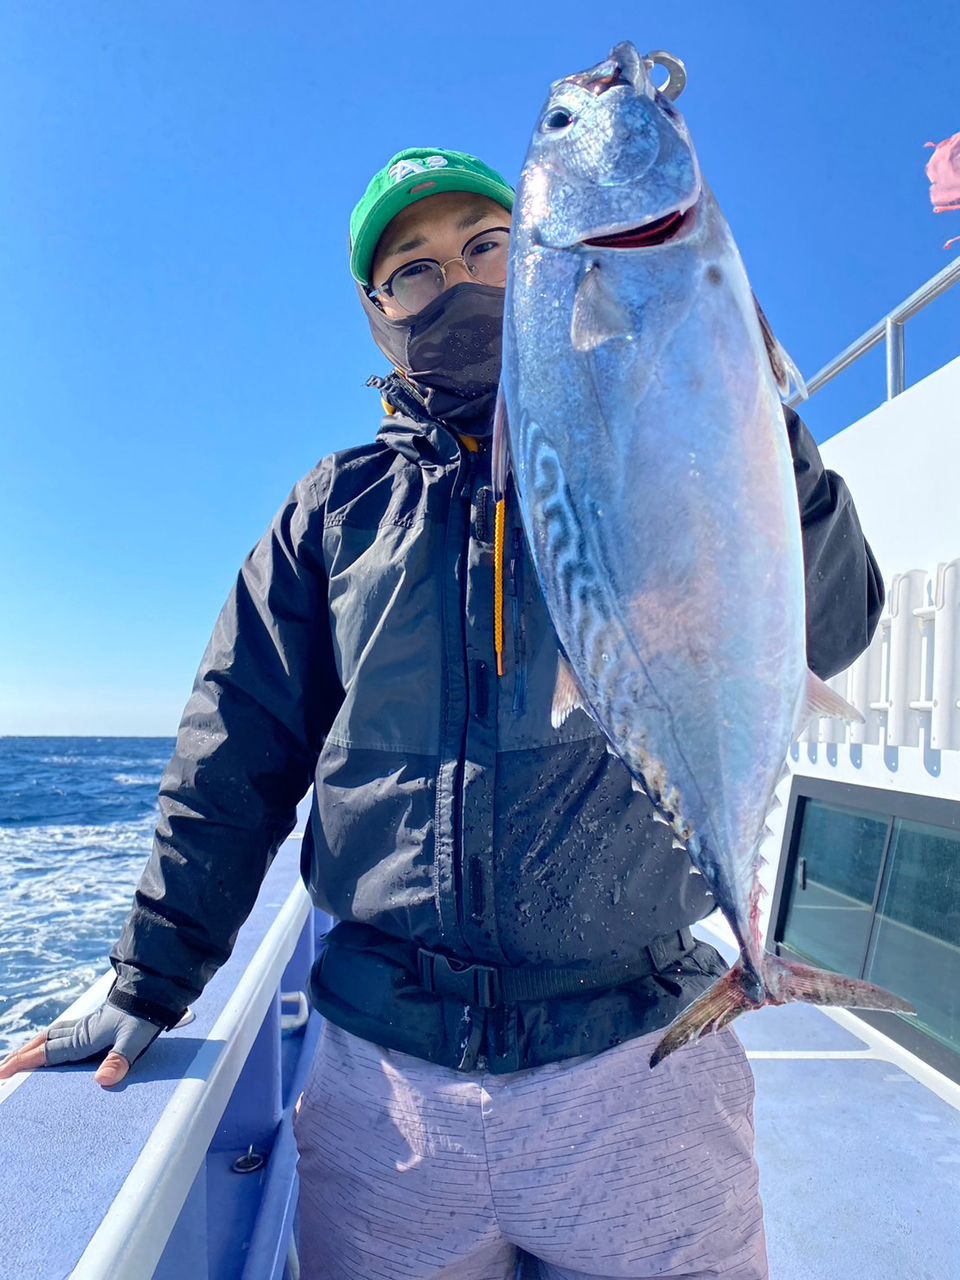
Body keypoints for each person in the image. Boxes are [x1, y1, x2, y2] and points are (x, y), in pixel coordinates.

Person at [0, 147, 884, 1279]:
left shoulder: (646, 440)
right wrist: (146, 980)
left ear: (544, 264)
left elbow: (833, 619)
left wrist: (748, 408)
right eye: (412, 270)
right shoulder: (335, 510)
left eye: (486, 245)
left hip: (639, 1064)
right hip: (388, 1090)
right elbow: (236, 751)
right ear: (378, 317)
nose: (454, 280)